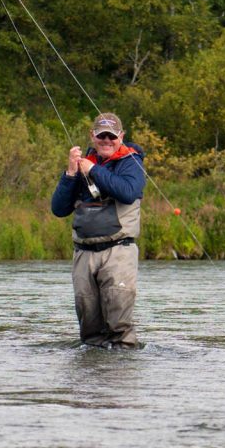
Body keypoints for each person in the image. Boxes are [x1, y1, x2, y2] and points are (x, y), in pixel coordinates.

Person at [51, 112, 145, 349]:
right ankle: (92, 374)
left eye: (111, 136)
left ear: (121, 137)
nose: (106, 140)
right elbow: (59, 209)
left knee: (119, 324)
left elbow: (127, 191)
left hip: (118, 251)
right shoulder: (81, 166)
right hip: (83, 253)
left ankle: (119, 377)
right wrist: (71, 174)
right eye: (101, 135)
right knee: (89, 327)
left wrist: (93, 170)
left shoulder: (131, 162)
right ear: (92, 136)